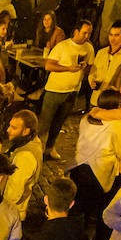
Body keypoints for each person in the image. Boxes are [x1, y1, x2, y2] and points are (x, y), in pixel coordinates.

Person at [39, 19, 95, 153]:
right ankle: (35, 148)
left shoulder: (89, 48)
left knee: (59, 123)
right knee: (45, 123)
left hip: (72, 92)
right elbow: (48, 65)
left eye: (89, 33)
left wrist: (85, 68)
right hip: (54, 91)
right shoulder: (63, 46)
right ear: (76, 32)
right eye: (84, 33)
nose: (87, 36)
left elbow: (90, 68)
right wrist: (67, 68)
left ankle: (49, 148)